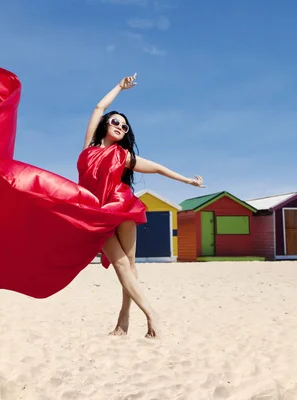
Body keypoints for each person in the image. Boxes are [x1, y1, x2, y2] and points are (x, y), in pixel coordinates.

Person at [79, 73, 205, 338]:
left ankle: (131, 321)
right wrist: (119, 87)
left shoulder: (124, 155)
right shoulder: (89, 147)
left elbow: (157, 168)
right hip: (95, 213)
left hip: (121, 204)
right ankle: (137, 317)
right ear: (105, 125)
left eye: (125, 127)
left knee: (129, 265)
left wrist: (188, 182)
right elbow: (99, 107)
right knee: (122, 264)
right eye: (116, 122)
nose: (120, 128)